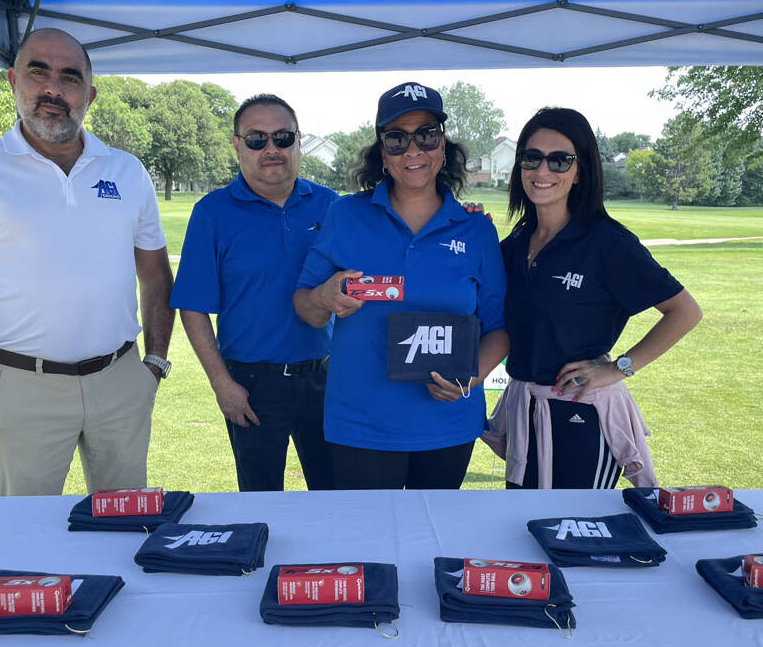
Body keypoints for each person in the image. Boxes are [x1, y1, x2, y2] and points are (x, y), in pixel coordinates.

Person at [0, 28, 174, 496]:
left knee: (126, 528)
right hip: (20, 385)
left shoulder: (127, 170)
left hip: (120, 380)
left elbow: (157, 275)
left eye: (70, 77)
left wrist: (155, 363)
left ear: (90, 94)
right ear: (14, 79)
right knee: (22, 547)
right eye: (39, 71)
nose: (53, 89)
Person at [294, 82, 509, 490]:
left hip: (448, 423)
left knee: (435, 545)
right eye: (396, 139)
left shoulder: (477, 231)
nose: (413, 150)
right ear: (382, 153)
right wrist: (324, 297)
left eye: (426, 135)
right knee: (368, 550)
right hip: (362, 425)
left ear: (443, 146)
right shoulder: (345, 215)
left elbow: (498, 327)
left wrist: (472, 377)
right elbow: (304, 304)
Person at [483, 107, 702, 489]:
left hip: (582, 415)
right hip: (526, 411)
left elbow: (684, 311)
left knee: (579, 536)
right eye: (531, 158)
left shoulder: (607, 243)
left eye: (560, 160)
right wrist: (473, 230)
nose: (543, 171)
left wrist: (618, 368)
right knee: (524, 531)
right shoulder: (517, 242)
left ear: (580, 171)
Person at [170, 94, 337, 492]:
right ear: (237, 144)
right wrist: (221, 384)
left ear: (299, 140)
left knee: (337, 496)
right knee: (260, 500)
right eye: (256, 139)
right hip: (250, 383)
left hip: (327, 378)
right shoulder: (213, 212)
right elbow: (192, 307)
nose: (271, 149)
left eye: (281, 137)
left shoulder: (332, 205)